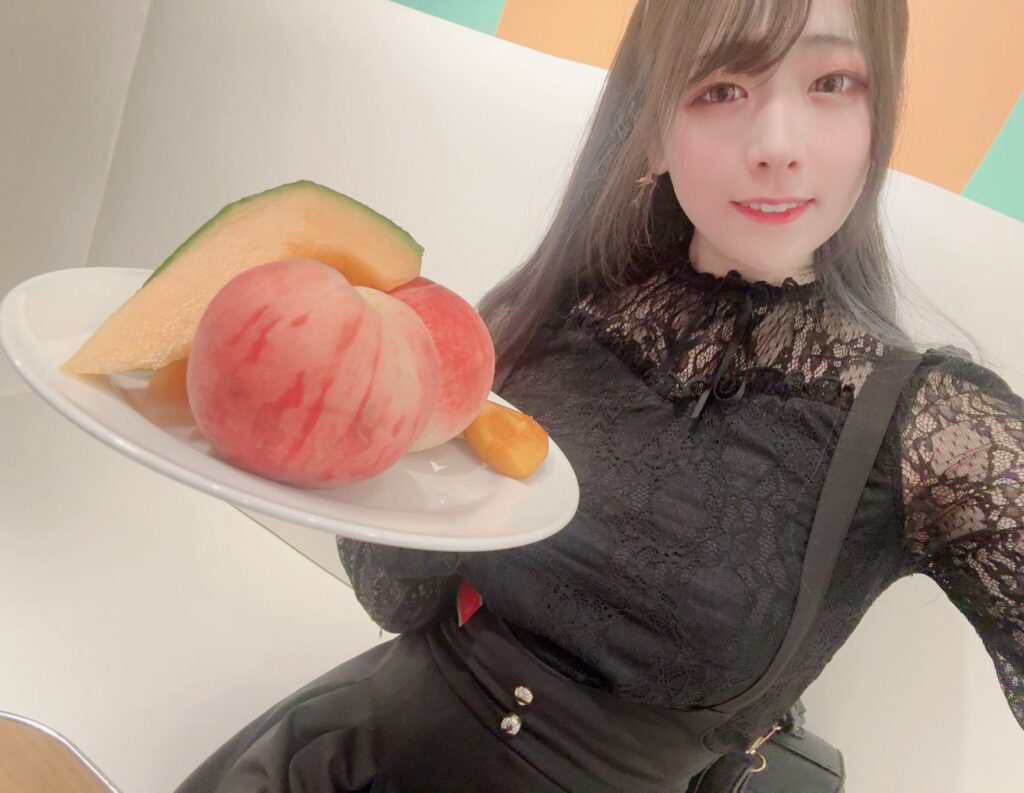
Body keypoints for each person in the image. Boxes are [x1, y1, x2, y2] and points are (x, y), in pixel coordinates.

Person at [173, 0, 1024, 791]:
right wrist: (379, 425)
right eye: (722, 88)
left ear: (879, 116)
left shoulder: (931, 432)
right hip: (349, 752)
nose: (777, 143)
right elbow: (397, 601)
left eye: (831, 83)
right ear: (652, 130)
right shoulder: (552, 311)